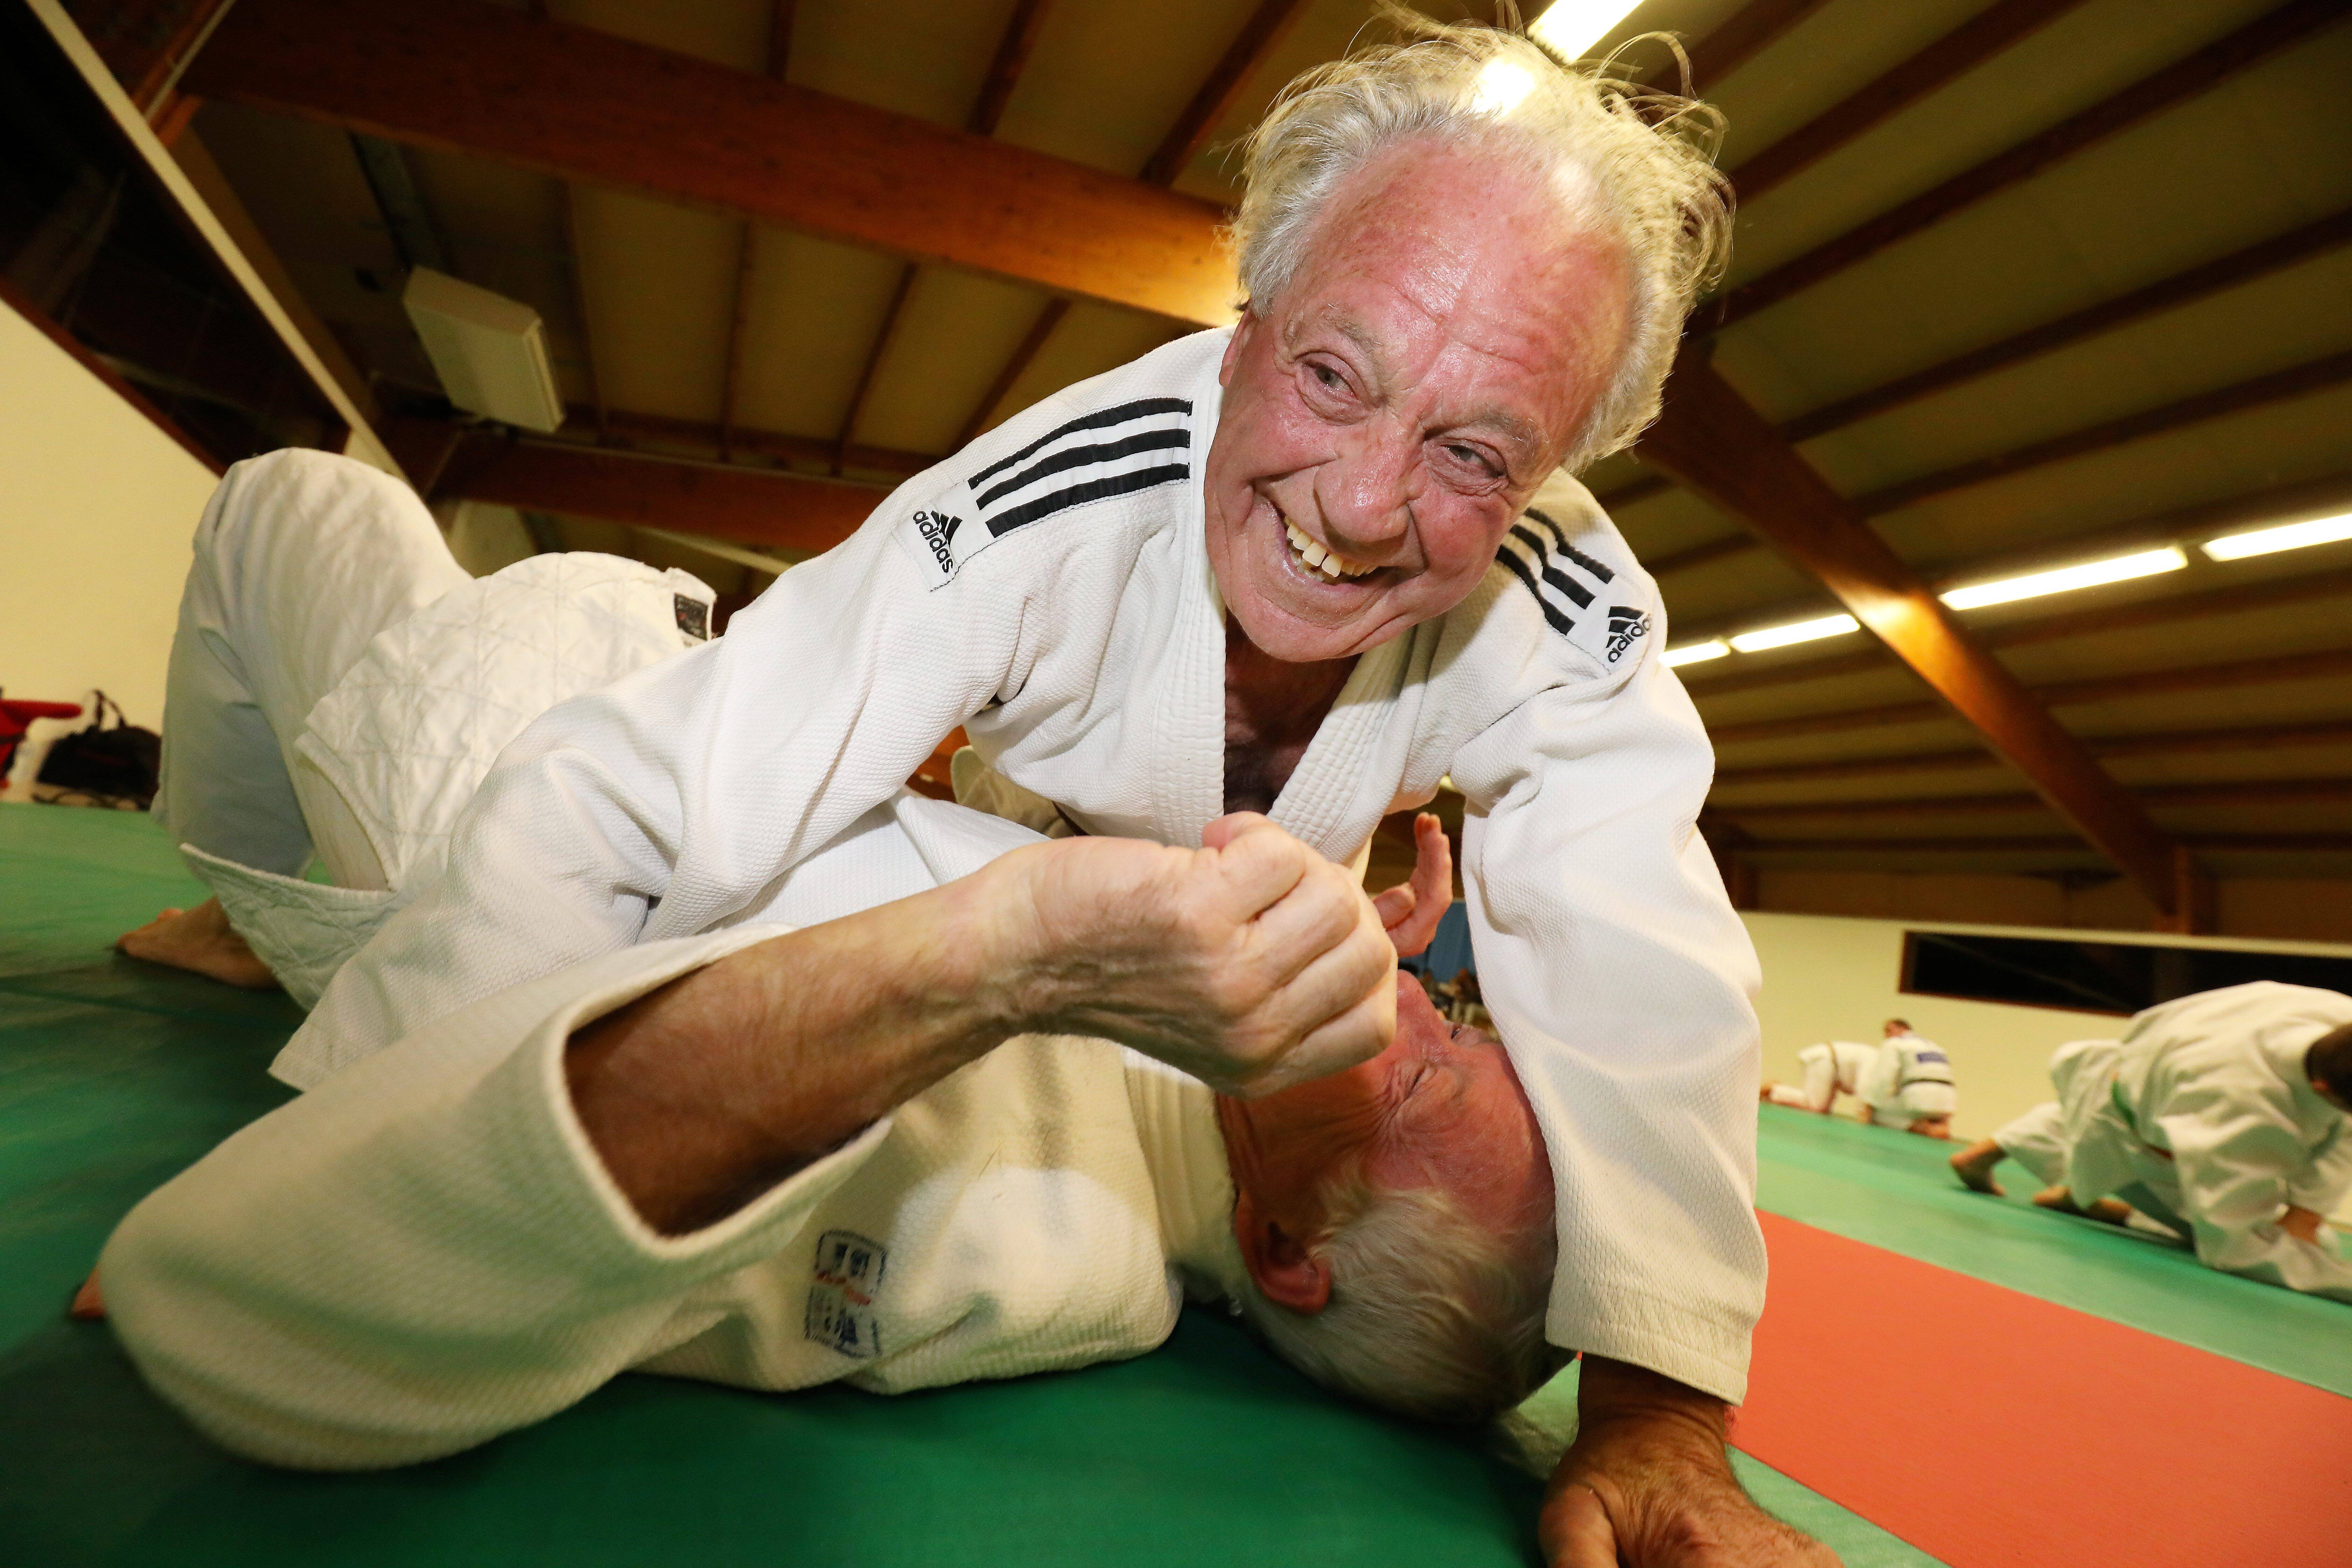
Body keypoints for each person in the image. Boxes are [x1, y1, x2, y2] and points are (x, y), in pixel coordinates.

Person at [116, 20, 1827, 1564]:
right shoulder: (1065, 495)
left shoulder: (1049, 1241)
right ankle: (259, 918)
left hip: (516, 780)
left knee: (293, 500)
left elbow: (1641, 938)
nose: (1373, 500)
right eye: (1332, 372)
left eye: (1477, 450)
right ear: (1241, 338)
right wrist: (358, 1109)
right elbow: (652, 796)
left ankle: (271, 909)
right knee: (351, 539)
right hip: (632, 747)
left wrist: (1659, 1399)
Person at [1950, 982, 2352, 1301]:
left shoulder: (2337, 1015)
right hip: (2141, 1130)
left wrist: (2307, 1213)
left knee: (2119, 1103)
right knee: (2300, 1244)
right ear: (2322, 1088)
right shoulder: (2242, 1108)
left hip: (2137, 1072)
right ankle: (2093, 1199)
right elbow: (2232, 1249)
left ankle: (2006, 1161)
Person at [1761, 1018, 1956, 1138]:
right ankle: (1773, 1089)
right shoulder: (1931, 1045)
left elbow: (1881, 1081)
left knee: (1830, 1109)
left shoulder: (1893, 1046)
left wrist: (1868, 1108)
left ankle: (1924, 1126)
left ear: (1894, 1030)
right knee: (1816, 1107)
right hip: (1826, 1059)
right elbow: (1873, 1083)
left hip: (1835, 1065)